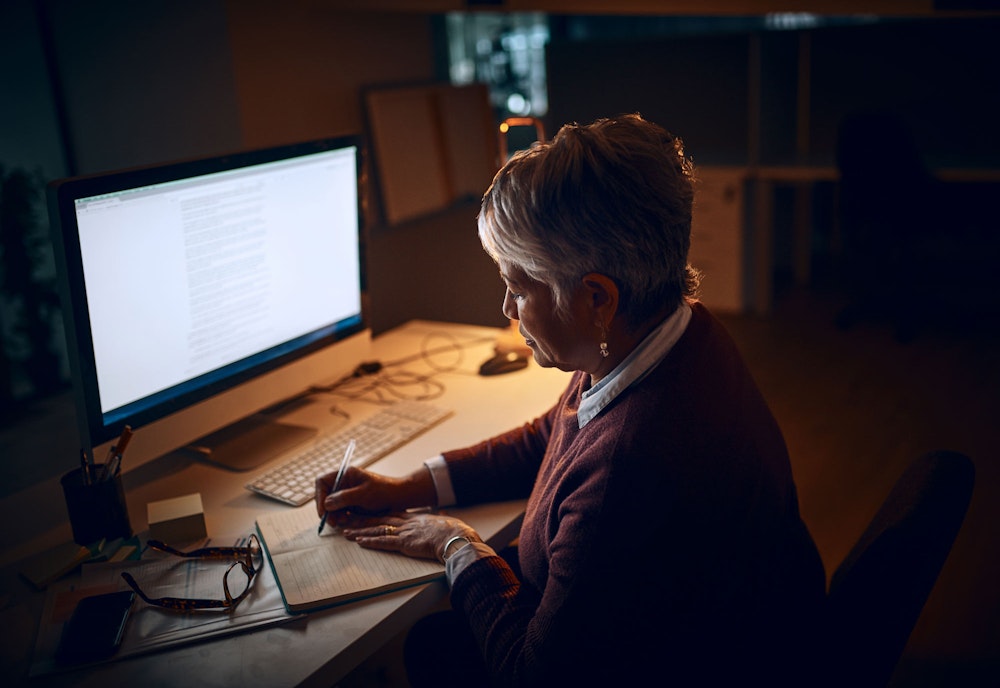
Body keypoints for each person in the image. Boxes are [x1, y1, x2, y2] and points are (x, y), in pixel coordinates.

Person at [315, 113, 826, 687]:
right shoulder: (671, 333)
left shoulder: (631, 466)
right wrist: (412, 486)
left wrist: (454, 543)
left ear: (597, 299)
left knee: (434, 645)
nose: (507, 309)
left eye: (518, 286)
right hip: (711, 630)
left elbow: (531, 674)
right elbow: (552, 435)